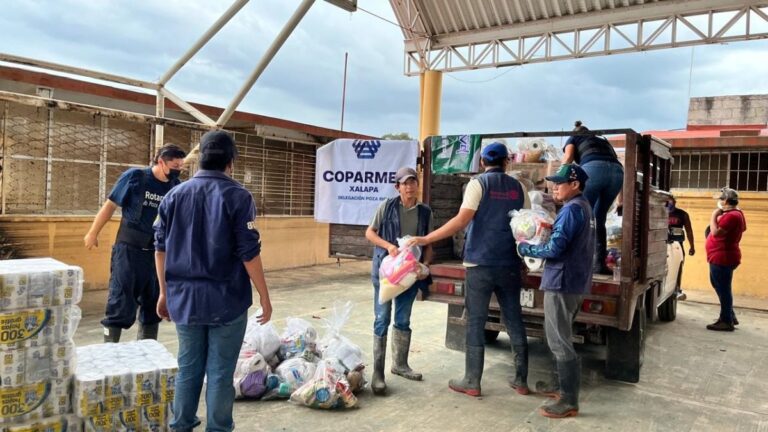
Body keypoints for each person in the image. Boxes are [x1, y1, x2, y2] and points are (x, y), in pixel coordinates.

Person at [154, 130, 272, 432]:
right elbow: (249, 253)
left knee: (189, 366)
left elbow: (160, 248)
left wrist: (164, 293)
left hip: (184, 300)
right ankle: (218, 428)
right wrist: (264, 296)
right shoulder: (238, 196)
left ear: (200, 159)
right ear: (230, 162)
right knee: (220, 372)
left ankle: (181, 424)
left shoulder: (173, 196)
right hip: (226, 301)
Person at [409, 142, 530, 397]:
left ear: (483, 162)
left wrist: (427, 239)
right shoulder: (519, 187)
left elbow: (461, 220)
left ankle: (472, 381)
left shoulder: (478, 184)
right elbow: (526, 226)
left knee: (476, 321)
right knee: (514, 319)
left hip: (480, 264)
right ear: (506, 162)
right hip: (509, 263)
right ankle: (521, 380)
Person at [84, 144, 186, 342]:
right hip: (129, 251)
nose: (178, 170)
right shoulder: (135, 177)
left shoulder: (175, 187)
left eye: (181, 166)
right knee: (120, 301)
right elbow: (110, 205)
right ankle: (109, 349)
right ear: (161, 162)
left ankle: (147, 350)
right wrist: (93, 232)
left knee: (154, 305)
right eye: (175, 166)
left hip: (157, 255)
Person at [517, 163, 595, 418]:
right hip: (575, 281)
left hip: (562, 282)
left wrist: (526, 248)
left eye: (559, 183)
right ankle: (561, 388)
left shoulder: (571, 209)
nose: (554, 187)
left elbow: (554, 249)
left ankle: (569, 401)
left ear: (575, 184)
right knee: (562, 336)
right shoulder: (584, 207)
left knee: (559, 340)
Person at [365, 167, 433, 395]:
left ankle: (400, 365)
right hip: (386, 272)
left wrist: (425, 265)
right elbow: (370, 233)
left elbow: (428, 243)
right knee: (382, 318)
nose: (410, 187)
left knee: (403, 319)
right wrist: (389, 246)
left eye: (413, 182)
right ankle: (378, 372)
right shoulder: (387, 206)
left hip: (409, 274)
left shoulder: (425, 212)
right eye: (405, 183)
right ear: (398, 187)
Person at [562, 121, 623, 274]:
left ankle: (575, 262)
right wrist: (620, 198)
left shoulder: (574, 137)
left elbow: (568, 158)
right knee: (598, 218)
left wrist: (559, 180)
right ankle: (598, 264)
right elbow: (614, 162)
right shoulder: (602, 140)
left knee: (580, 215)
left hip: (593, 170)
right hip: (617, 174)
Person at [705, 187, 746, 332]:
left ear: (727, 200)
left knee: (724, 289)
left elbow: (716, 233)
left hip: (723, 257)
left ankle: (726, 321)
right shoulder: (736, 214)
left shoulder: (732, 216)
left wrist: (714, 215)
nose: (720, 202)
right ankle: (730, 315)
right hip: (720, 255)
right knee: (719, 286)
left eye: (721, 199)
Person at [666, 195, 695, 300]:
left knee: (678, 266)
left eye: (671, 201)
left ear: (675, 202)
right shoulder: (659, 213)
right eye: (667, 202)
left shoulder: (682, 214)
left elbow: (689, 231)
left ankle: (677, 289)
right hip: (662, 244)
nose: (669, 204)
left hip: (677, 245)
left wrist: (692, 246)